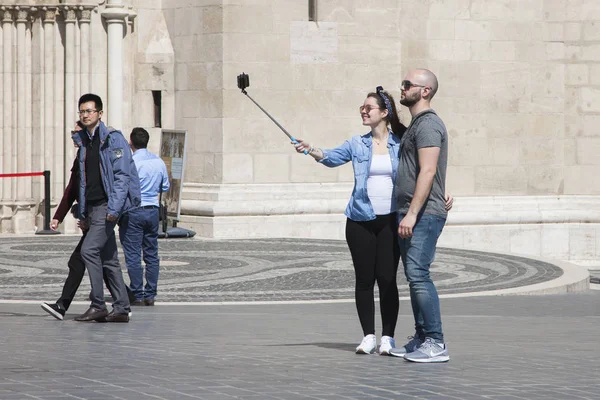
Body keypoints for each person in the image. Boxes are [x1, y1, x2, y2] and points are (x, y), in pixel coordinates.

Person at [293, 87, 406, 355]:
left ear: (385, 113)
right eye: (362, 108)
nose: (364, 111)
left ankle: (388, 337)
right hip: (359, 219)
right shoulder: (357, 143)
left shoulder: (401, 143)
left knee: (388, 279)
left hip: (391, 220)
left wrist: (441, 191)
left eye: (369, 108)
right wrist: (311, 149)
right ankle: (368, 336)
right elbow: (331, 157)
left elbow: (421, 168)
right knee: (364, 279)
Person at [389, 69, 450, 363]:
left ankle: (436, 342)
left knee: (418, 275)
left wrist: (412, 214)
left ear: (424, 91)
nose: (402, 88)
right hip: (412, 212)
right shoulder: (416, 125)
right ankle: (422, 337)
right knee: (414, 277)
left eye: (407, 85)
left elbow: (428, 170)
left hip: (422, 216)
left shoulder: (428, 125)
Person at [71, 93, 141, 323]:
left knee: (88, 251)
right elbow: (83, 181)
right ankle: (121, 308)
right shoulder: (84, 142)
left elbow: (122, 176)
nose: (85, 115)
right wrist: (82, 212)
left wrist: (114, 208)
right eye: (82, 111)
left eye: (89, 111)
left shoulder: (113, 139)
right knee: (108, 259)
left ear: (100, 114)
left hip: (106, 206)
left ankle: (98, 304)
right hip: (92, 207)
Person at [119, 127, 169, 306]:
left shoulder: (131, 161)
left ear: (130, 142)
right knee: (151, 253)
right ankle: (151, 293)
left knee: (133, 254)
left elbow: (123, 186)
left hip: (134, 210)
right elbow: (165, 187)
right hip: (153, 211)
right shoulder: (159, 162)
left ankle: (137, 292)